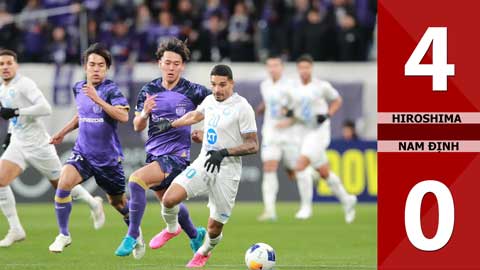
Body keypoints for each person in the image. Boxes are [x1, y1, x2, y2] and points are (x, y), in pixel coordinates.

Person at [151, 64, 258, 267]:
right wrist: (171, 124)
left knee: (214, 227)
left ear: (232, 83)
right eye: (214, 85)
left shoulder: (242, 107)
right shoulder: (209, 100)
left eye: (222, 85)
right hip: (204, 162)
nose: (217, 90)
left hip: (227, 170)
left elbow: (253, 144)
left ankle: (204, 251)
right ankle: (172, 228)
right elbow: (194, 116)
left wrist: (224, 152)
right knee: (169, 199)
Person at [114, 38, 211, 257]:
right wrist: (145, 113)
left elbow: (216, 105)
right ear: (160, 63)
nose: (171, 67)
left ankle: (132, 236)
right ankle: (195, 235)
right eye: (167, 62)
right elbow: (137, 125)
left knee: (136, 180)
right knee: (170, 203)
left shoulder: (194, 91)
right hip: (154, 154)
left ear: (182, 66)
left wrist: (205, 132)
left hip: (177, 156)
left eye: (176, 63)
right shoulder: (149, 90)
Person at [0, 49, 104, 248]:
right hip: (18, 143)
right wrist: (9, 136)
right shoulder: (2, 89)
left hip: (39, 145)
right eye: (1, 64)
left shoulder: (25, 84)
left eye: (8, 63)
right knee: (1, 181)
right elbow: (14, 119)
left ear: (16, 65)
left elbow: (45, 108)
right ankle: (16, 229)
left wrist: (15, 111)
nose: (5, 67)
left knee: (63, 186)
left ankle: (93, 203)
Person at [47, 43, 135, 254]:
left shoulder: (111, 90)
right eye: (92, 64)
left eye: (101, 65)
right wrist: (63, 132)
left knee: (118, 203)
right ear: (85, 67)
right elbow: (82, 115)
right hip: (83, 153)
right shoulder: (79, 87)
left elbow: (123, 116)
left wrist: (98, 99)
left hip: (107, 159)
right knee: (64, 182)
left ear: (106, 69)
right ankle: (63, 235)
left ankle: (135, 231)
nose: (96, 69)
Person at [292, 54, 357, 222]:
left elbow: (337, 100)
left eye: (307, 67)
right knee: (324, 172)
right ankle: (347, 199)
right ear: (298, 69)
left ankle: (306, 207)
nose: (304, 70)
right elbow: (292, 108)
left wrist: (328, 114)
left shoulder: (322, 86)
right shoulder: (294, 87)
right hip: (303, 131)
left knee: (300, 166)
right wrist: (289, 113)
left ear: (311, 68)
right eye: (301, 67)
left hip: (319, 131)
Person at [256, 55, 307, 221]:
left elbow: (300, 107)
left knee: (295, 171)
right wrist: (261, 109)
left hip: (290, 134)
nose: (272, 68)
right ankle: (270, 210)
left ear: (282, 67)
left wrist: (290, 120)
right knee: (269, 167)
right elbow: (270, 102)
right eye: (270, 65)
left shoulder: (292, 85)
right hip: (271, 133)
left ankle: (306, 205)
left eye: (276, 65)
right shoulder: (265, 85)